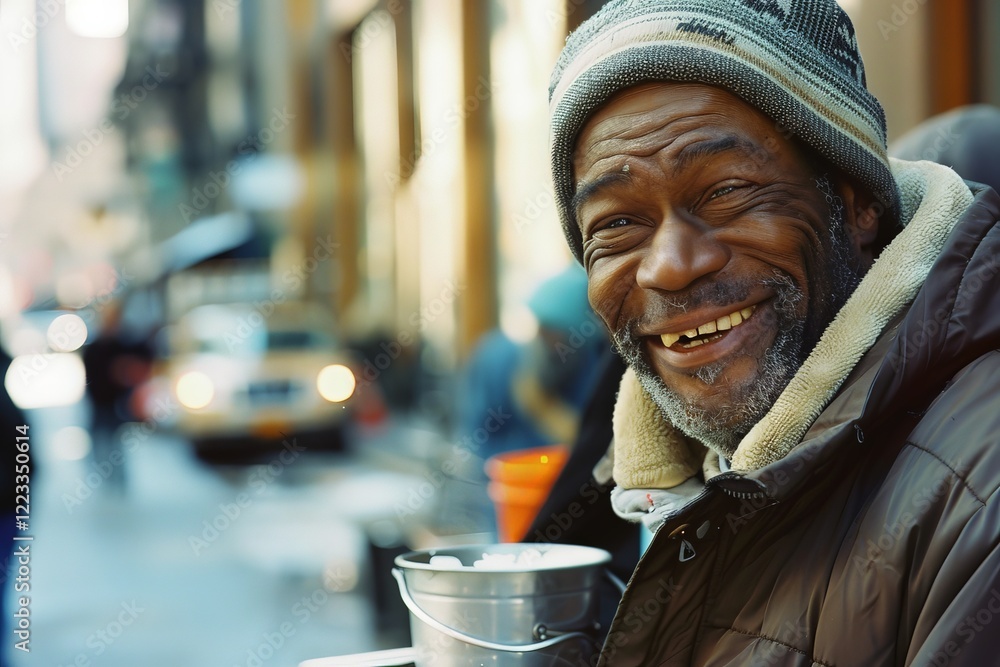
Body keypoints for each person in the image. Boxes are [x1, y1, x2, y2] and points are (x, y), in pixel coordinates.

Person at [545, 1, 1000, 665]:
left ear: (858, 200)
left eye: (727, 189)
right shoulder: (678, 480)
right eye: (616, 224)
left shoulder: (979, 490)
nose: (670, 266)